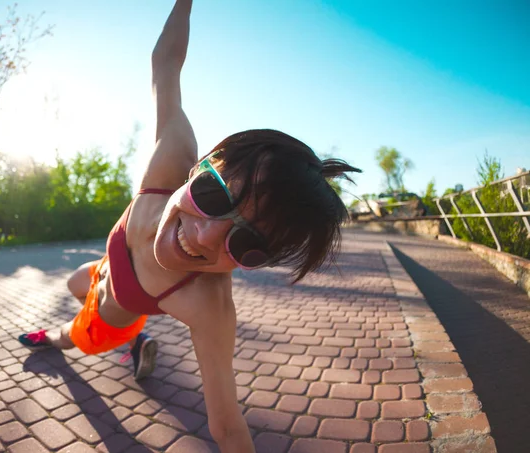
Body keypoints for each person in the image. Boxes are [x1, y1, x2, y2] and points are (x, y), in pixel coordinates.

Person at [19, 1, 360, 451]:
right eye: (214, 196)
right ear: (203, 164)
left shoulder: (207, 305)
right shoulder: (169, 162)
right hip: (107, 266)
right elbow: (165, 63)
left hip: (114, 312)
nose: (202, 237)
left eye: (246, 243)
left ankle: (85, 338)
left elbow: (228, 427)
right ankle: (139, 341)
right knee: (73, 282)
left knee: (76, 335)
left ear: (260, 261)